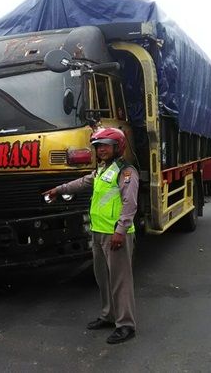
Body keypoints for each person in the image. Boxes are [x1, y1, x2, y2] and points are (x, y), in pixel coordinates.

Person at [43, 127, 137, 344]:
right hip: (98, 233)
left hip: (116, 235)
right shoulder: (103, 170)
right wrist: (59, 189)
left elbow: (130, 204)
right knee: (102, 278)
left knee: (120, 281)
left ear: (117, 147)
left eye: (105, 145)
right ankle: (108, 315)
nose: (101, 150)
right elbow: (84, 182)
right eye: (98, 146)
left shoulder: (126, 171)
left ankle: (126, 325)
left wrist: (120, 231)